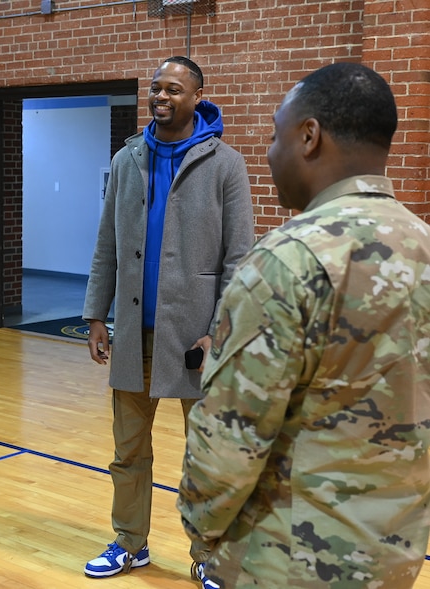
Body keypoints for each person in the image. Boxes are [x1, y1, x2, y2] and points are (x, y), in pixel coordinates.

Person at [177, 62, 430, 589]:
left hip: (285, 561)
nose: (269, 153)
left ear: (309, 137)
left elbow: (229, 443)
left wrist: (202, 537)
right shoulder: (425, 247)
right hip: (395, 555)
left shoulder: (287, 261)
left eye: (274, 135)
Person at [82, 55, 255, 578]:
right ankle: (130, 542)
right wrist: (95, 314)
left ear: (197, 96)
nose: (161, 96)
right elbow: (107, 243)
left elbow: (240, 260)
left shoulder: (225, 163)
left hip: (197, 342)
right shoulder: (127, 158)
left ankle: (209, 555)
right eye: (155, 88)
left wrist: (218, 333)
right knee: (127, 451)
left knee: (208, 457)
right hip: (135, 335)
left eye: (174, 89)